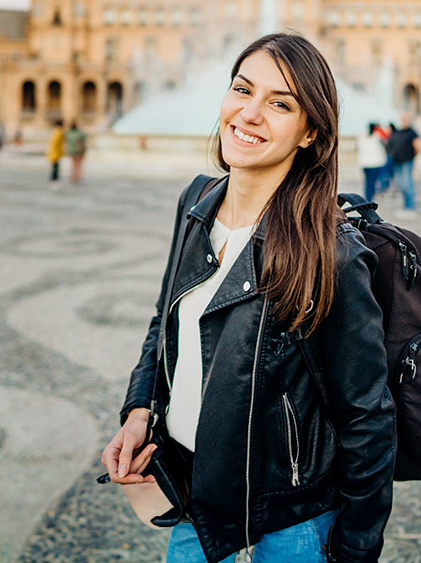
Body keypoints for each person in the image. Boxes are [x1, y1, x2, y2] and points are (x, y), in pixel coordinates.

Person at [101, 33, 395, 563]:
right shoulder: (197, 200)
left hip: (292, 525)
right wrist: (139, 409)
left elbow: (368, 418)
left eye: (281, 103)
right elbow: (163, 321)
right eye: (242, 89)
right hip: (197, 506)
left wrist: (354, 550)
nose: (250, 113)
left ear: (310, 133)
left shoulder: (330, 251)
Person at [386, 112, 420, 215]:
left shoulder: (412, 132)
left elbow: (417, 147)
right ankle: (405, 207)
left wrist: (411, 157)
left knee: (407, 185)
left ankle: (411, 208)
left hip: (406, 162)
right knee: (401, 185)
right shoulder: (397, 132)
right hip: (397, 162)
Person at [358, 122, 388, 202]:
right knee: (374, 182)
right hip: (376, 163)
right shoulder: (378, 137)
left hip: (365, 164)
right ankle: (370, 198)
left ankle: (368, 197)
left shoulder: (362, 137)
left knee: (368, 182)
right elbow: (387, 143)